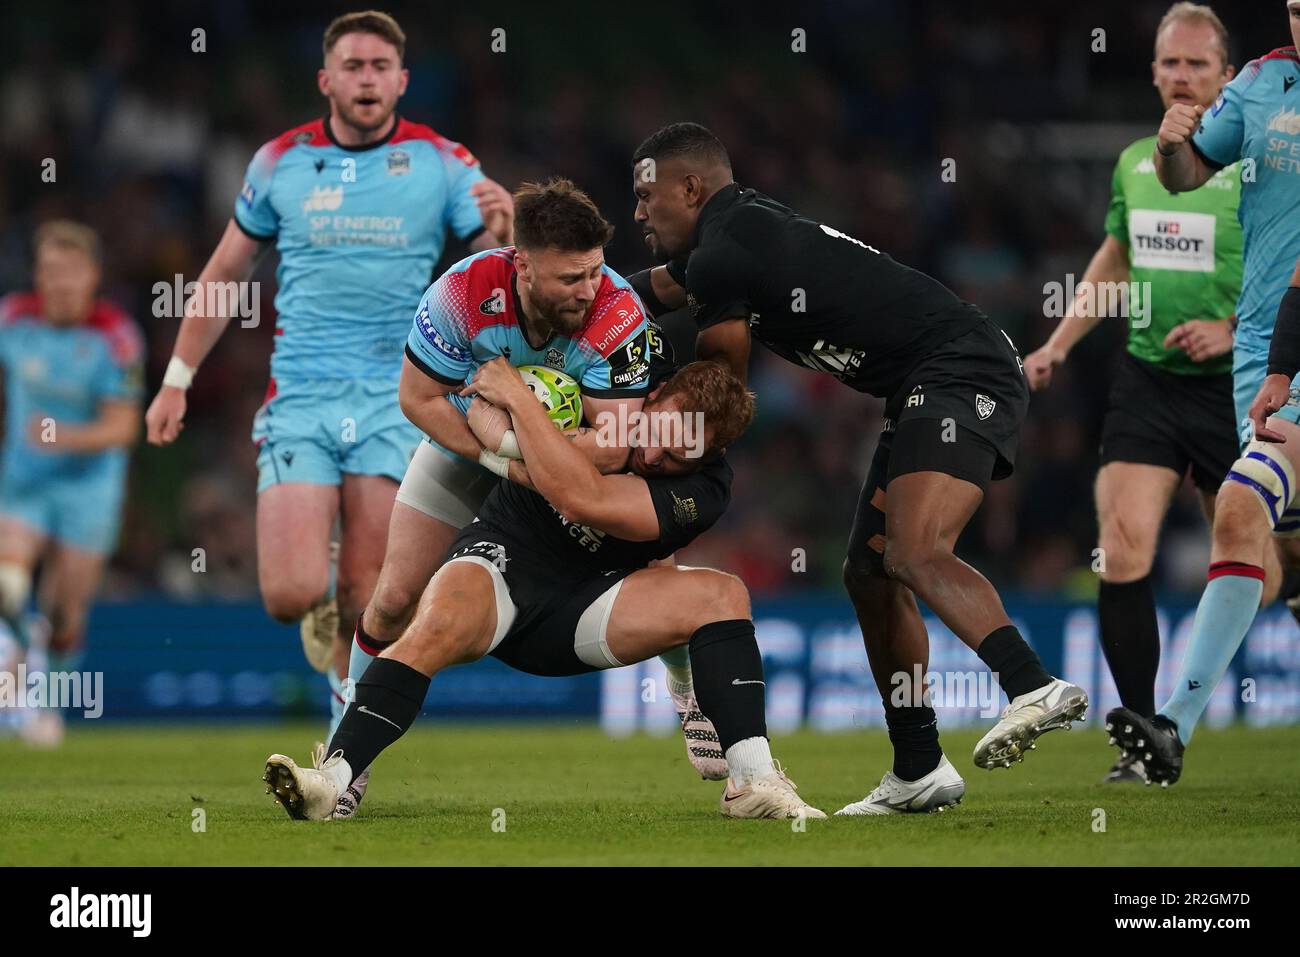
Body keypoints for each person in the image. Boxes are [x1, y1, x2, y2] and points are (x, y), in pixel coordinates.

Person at [627, 122, 1086, 816]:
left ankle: (1033, 685)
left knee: (914, 551)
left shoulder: (725, 252)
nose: (638, 213)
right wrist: (555, 298)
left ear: (691, 188)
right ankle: (919, 766)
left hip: (959, 369)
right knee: (869, 575)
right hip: (926, 382)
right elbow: (635, 294)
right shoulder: (730, 240)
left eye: (647, 195)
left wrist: (646, 422)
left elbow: (720, 387)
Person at [143, 12, 514, 745]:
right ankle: (320, 592)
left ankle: (342, 754)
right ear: (327, 80)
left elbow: (492, 271)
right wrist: (177, 377)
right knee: (289, 593)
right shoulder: (279, 162)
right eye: (353, 66)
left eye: (381, 66)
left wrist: (502, 230)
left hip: (397, 397)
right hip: (303, 397)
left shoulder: (442, 162)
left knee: (373, 596)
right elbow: (225, 272)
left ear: (402, 81)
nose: (368, 78)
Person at [264, 357, 826, 821]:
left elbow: (588, 503)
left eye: (679, 458)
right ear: (650, 400)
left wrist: (523, 410)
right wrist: (503, 399)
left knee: (723, 594)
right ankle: (332, 781)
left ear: (711, 459)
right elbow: (477, 404)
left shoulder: (705, 491)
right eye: (659, 436)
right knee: (425, 622)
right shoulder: (602, 382)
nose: (656, 456)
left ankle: (751, 781)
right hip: (502, 563)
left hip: (583, 611)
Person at [332, 178, 726, 820]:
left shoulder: (620, 315)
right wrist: (496, 456)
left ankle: (688, 692)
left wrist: (515, 433)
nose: (590, 289)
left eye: (596, 270)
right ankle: (346, 756)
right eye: (571, 278)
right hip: (472, 447)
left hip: (563, 453)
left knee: (653, 560)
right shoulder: (461, 294)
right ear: (522, 265)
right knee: (394, 598)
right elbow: (417, 398)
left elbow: (612, 444)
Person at [1024, 3, 1257, 783]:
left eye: (1198, 64)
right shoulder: (1134, 164)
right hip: (1150, 382)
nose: (1183, 76)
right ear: (1154, 72)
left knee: (1278, 556)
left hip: (1242, 384)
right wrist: (1058, 343)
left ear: (1228, 75)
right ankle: (1146, 742)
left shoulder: (1259, 166)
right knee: (1120, 546)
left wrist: (1230, 326)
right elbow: (1116, 258)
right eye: (1171, 63)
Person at [1106, 3, 1300, 785]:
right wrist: (1171, 146)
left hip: (1288, 354)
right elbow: (1189, 177)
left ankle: (1171, 727)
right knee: (1286, 552)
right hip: (1260, 349)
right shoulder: (1260, 84)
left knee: (1239, 508)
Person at [0, 221, 143, 746]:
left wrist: (61, 434)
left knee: (63, 610)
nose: (57, 282)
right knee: (7, 584)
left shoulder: (116, 337)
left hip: (89, 490)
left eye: (69, 271)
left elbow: (124, 426)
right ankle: (16, 651)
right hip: (24, 485)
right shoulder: (13, 320)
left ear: (92, 276)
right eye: (48, 270)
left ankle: (46, 702)